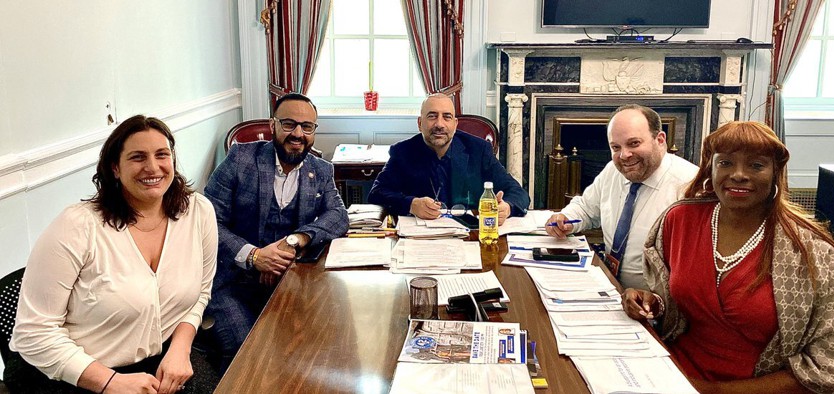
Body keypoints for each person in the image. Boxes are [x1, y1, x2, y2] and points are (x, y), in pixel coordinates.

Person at [622, 122, 834, 393]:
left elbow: (832, 370)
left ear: (775, 173)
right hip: (671, 373)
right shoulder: (680, 220)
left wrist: (713, 391)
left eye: (756, 165)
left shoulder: (812, 252)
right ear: (711, 168)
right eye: (726, 163)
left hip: (753, 387)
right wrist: (652, 303)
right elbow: (673, 307)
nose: (739, 175)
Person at [7, 115, 217, 394]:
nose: (152, 167)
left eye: (162, 154)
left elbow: (201, 292)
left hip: (162, 355)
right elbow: (32, 333)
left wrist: (181, 348)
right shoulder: (76, 226)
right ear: (115, 168)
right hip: (75, 371)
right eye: (138, 157)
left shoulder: (198, 211)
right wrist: (109, 382)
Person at [203, 92, 348, 373]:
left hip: (288, 278)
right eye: (289, 124)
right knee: (245, 351)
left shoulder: (321, 170)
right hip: (231, 281)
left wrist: (296, 240)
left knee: (313, 342)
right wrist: (254, 256)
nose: (298, 134)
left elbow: (338, 216)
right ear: (273, 125)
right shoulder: (241, 159)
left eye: (307, 127)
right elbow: (206, 222)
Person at [545, 104, 697, 289]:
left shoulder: (689, 187)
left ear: (660, 140)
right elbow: (586, 208)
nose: (624, 155)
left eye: (634, 143)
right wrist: (567, 219)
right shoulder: (613, 170)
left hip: (657, 304)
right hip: (609, 285)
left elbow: (694, 271)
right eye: (616, 147)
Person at [368, 94, 529, 224]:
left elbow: (518, 193)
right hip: (421, 239)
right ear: (419, 123)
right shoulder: (402, 152)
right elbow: (376, 193)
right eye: (432, 116)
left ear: (455, 123)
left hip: (469, 236)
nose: (439, 124)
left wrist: (507, 207)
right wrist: (411, 204)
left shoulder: (479, 150)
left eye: (447, 117)